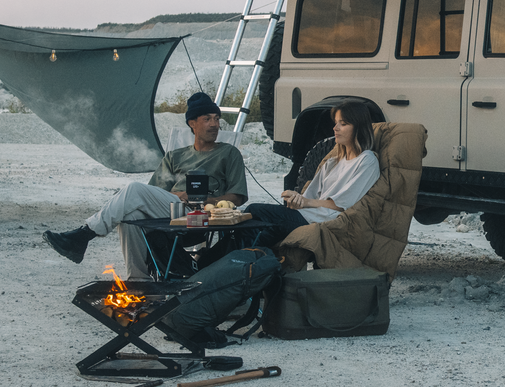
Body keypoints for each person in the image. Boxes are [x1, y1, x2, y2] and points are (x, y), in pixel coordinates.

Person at [42, 92, 248, 278]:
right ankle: (138, 280)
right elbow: (155, 192)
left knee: (134, 190)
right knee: (130, 216)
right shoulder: (175, 156)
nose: (214, 124)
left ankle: (84, 235)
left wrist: (205, 199)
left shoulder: (228, 153)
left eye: (217, 119)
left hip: (200, 218)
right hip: (173, 211)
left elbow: (237, 197)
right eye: (207, 119)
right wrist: (177, 194)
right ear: (192, 124)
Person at [239, 101, 380, 251]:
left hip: (325, 221)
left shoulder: (367, 160)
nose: (335, 128)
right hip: (307, 215)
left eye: (343, 124)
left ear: (358, 127)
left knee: (254, 210)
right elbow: (309, 198)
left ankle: (230, 265)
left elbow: (341, 205)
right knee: (252, 234)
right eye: (336, 123)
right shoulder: (332, 162)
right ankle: (224, 264)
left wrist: (305, 202)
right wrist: (296, 200)